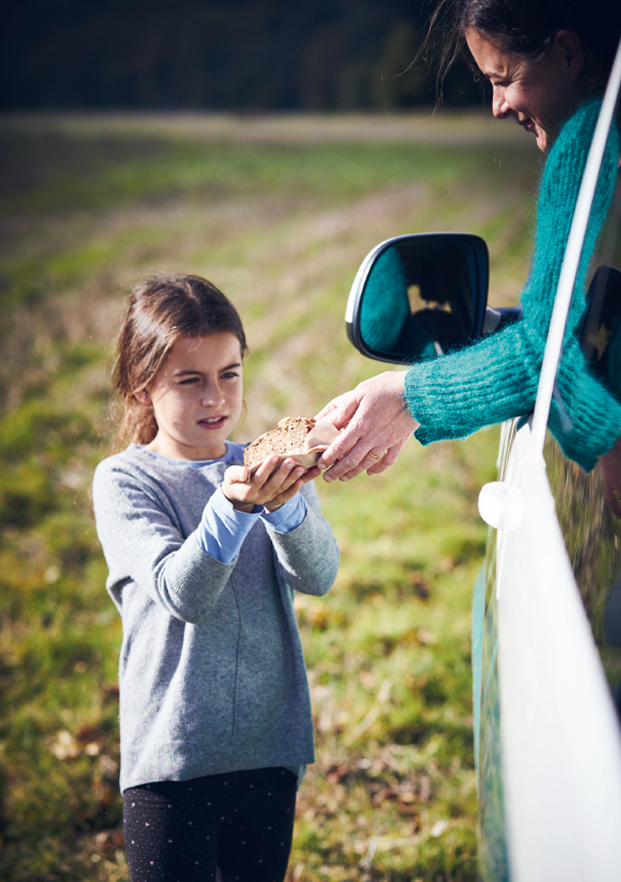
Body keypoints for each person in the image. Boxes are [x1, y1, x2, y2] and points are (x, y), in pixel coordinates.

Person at [315, 0, 621, 510]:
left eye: (503, 78)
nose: (498, 106)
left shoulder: (588, 140)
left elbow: (543, 357)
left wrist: (407, 396)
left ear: (567, 54)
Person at [92, 273, 339, 882]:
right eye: (190, 380)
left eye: (229, 373)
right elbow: (186, 594)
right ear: (141, 386)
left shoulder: (266, 464)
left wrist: (283, 505)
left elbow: (319, 573)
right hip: (171, 762)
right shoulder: (125, 482)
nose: (216, 398)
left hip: (268, 748)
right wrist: (235, 508)